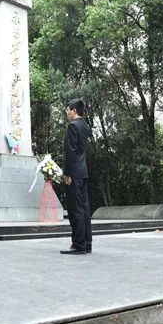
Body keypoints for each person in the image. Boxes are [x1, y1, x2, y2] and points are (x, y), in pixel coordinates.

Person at [60, 99, 92, 255]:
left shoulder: (73, 126)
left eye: (68, 110)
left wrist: (66, 173)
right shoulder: (85, 126)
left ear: (73, 110)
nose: (67, 113)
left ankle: (78, 244)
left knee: (75, 209)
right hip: (83, 172)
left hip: (74, 174)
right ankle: (87, 243)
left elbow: (71, 152)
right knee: (84, 208)